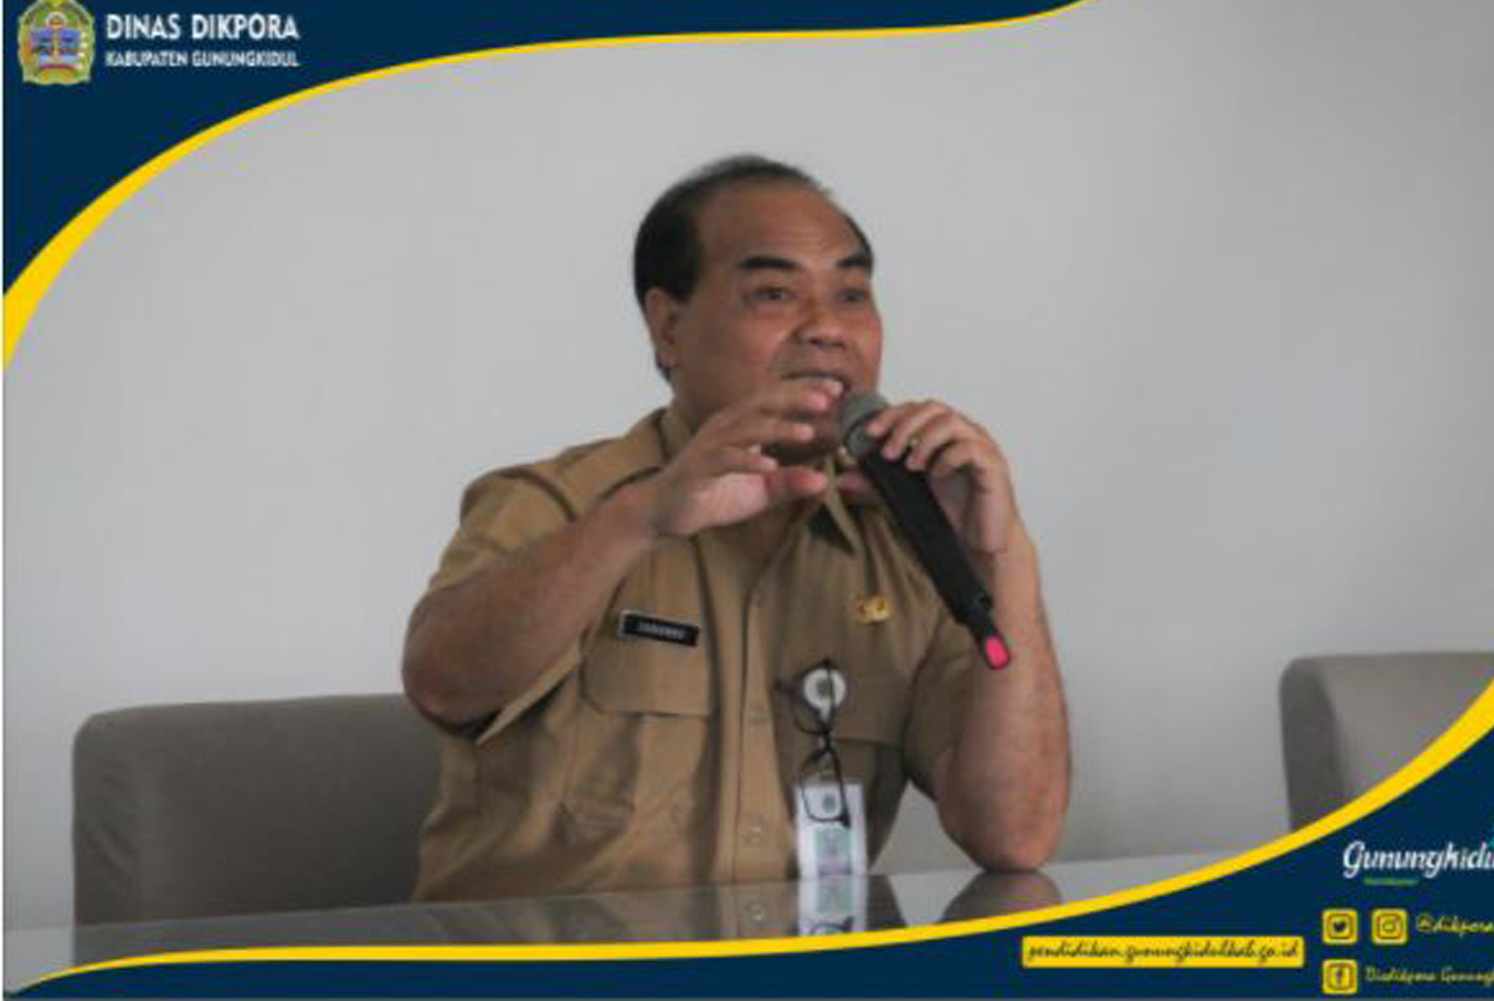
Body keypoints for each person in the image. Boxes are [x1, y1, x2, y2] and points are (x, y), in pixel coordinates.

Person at [402, 155, 1069, 902]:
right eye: (774, 293)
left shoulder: (907, 539)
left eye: (851, 294)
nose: (828, 329)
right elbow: (442, 685)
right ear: (669, 328)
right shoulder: (562, 503)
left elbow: (1014, 832)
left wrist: (1002, 559)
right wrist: (641, 518)